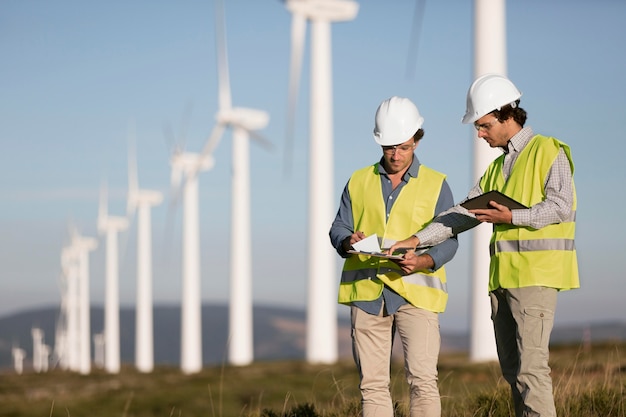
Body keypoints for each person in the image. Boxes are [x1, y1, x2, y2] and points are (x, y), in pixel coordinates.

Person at [388, 74, 579, 417]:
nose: (479, 134)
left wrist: (513, 218)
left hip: (536, 278)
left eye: (484, 125)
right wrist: (415, 240)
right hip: (503, 282)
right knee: (514, 372)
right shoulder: (496, 169)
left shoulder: (549, 150)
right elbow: (462, 213)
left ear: (507, 115)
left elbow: (562, 206)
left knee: (532, 370)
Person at [329, 96, 459, 417]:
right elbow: (338, 228)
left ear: (416, 138)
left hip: (416, 293)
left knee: (422, 381)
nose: (396, 155)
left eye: (403, 146)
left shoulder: (436, 184)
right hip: (367, 293)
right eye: (388, 147)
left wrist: (423, 260)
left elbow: (449, 241)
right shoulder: (358, 181)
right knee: (372, 385)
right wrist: (348, 241)